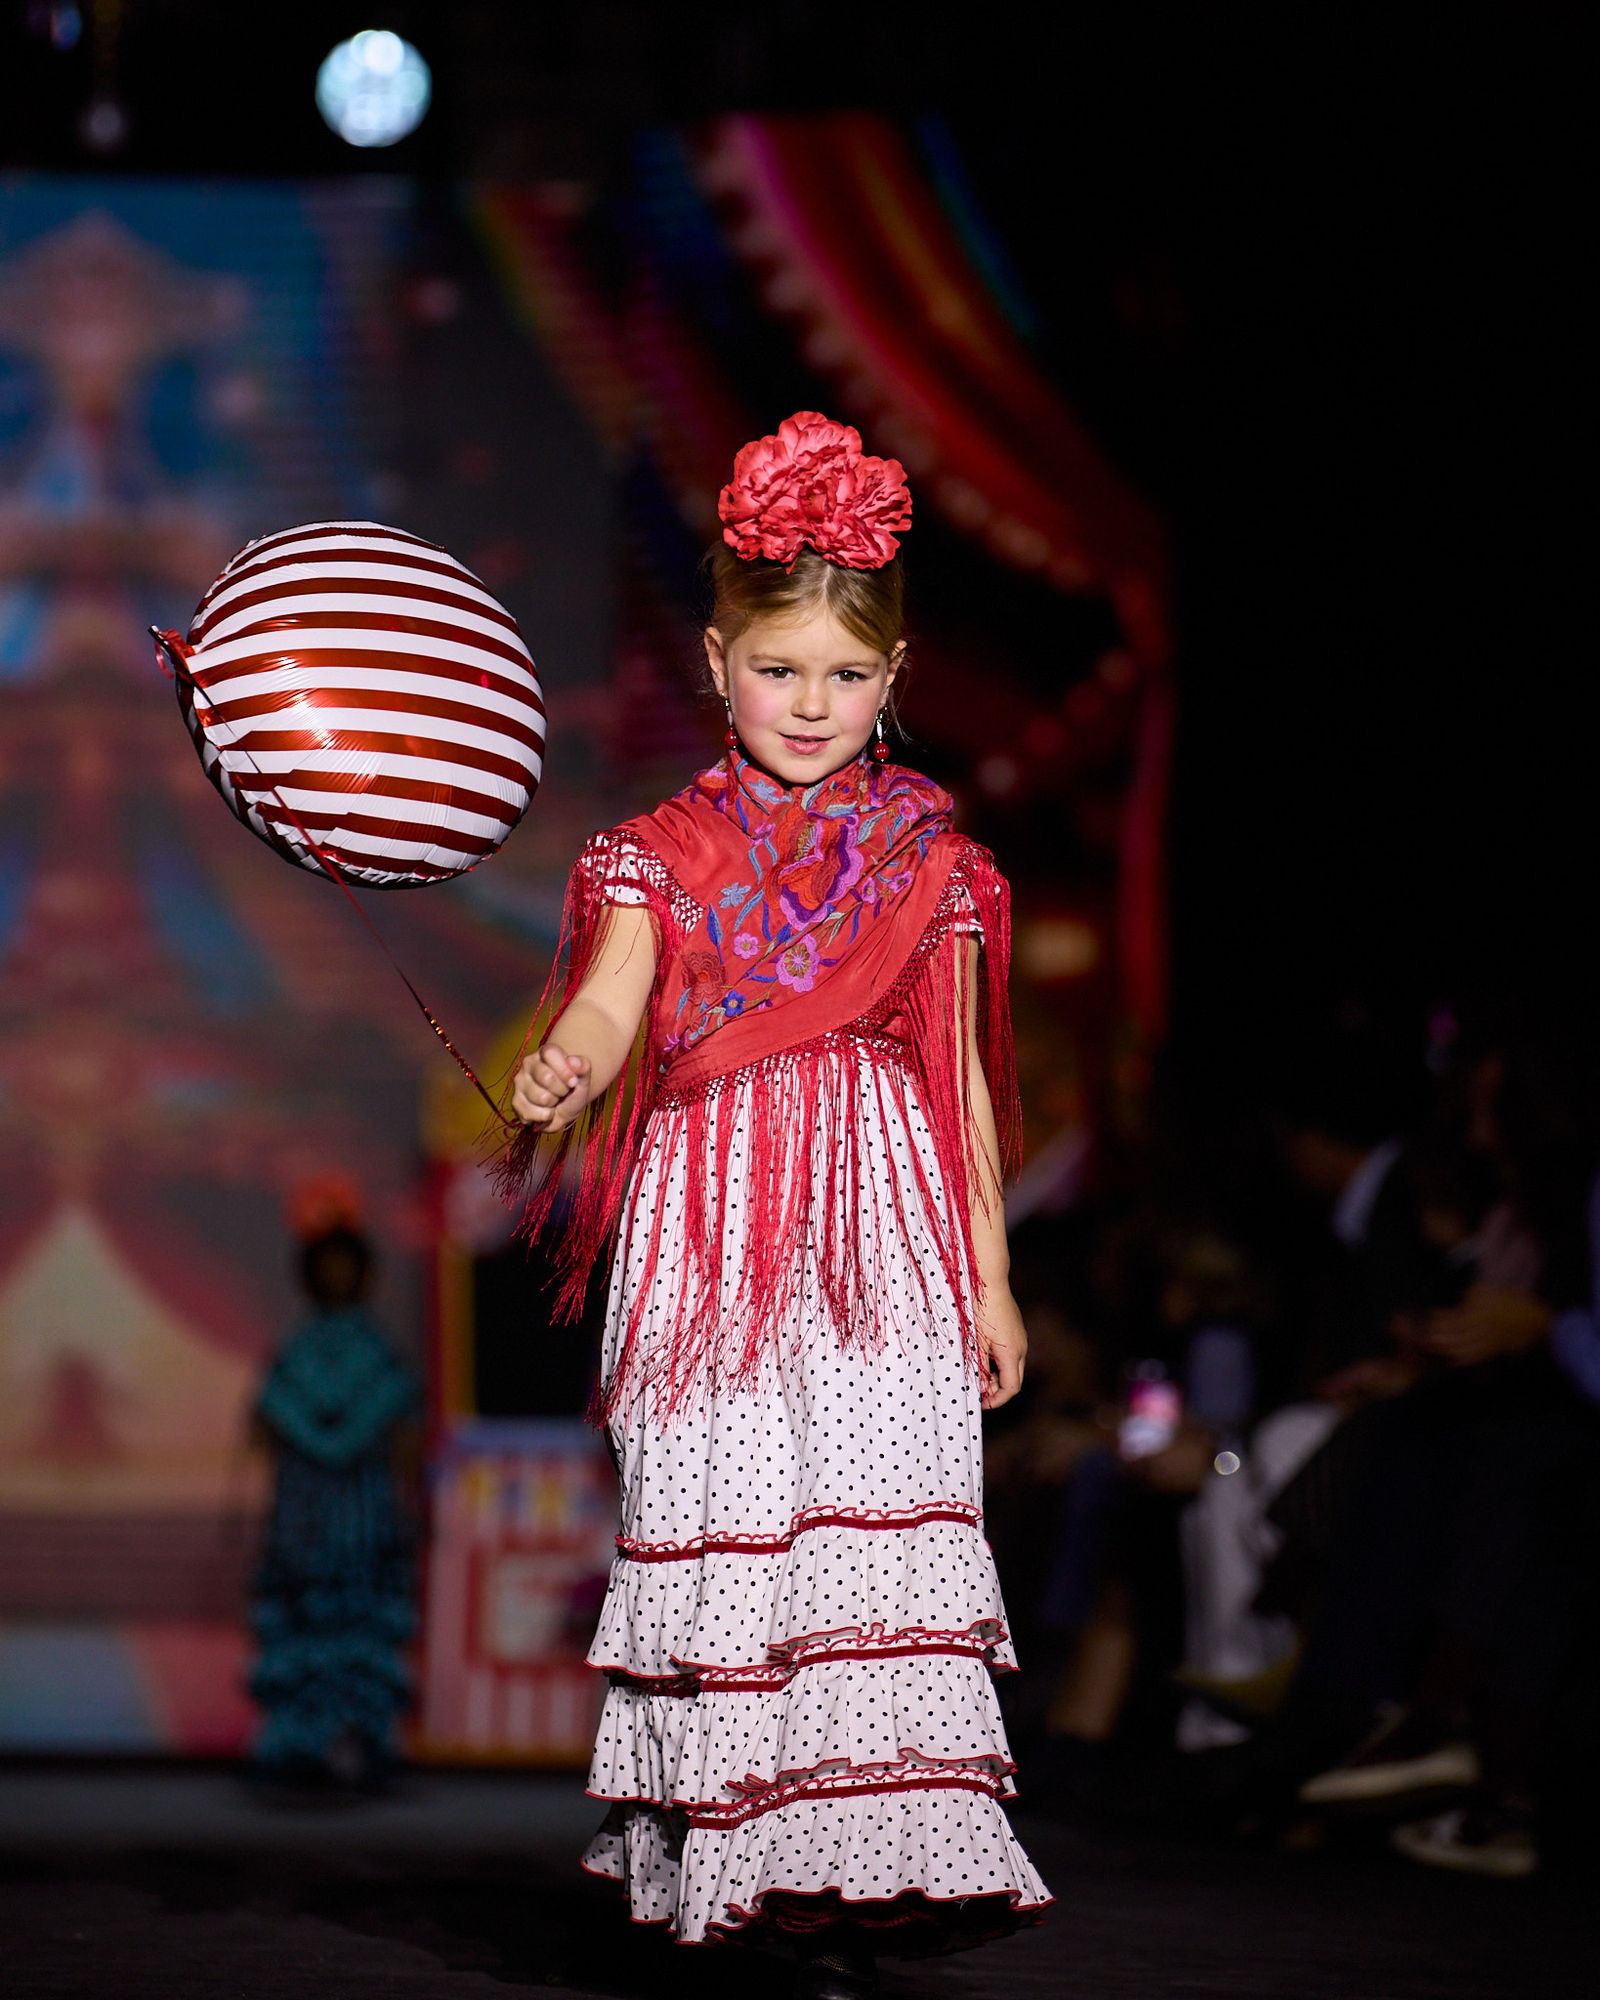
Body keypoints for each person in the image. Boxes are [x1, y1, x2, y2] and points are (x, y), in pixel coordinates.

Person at [500, 413, 1051, 1994]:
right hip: (714, 1235)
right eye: (779, 665)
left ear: (894, 675)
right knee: (730, 1533)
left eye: (846, 674)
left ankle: (852, 1873)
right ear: (718, 658)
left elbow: (959, 1092)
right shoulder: (653, 854)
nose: (811, 704)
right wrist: (567, 1064)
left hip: (882, 1236)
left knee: (866, 1556)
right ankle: (740, 1862)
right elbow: (612, 1004)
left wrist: (993, 1279)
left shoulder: (931, 859)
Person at [246, 1225, 420, 1796]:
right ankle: (298, 1745)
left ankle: (360, 1742)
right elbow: (271, 1409)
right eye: (328, 1265)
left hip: (361, 1511)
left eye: (346, 1265)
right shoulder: (298, 1345)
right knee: (302, 1619)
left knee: (359, 1622)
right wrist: (326, 1441)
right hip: (305, 1511)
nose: (336, 1276)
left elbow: (391, 1407)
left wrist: (324, 1441)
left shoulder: (375, 1346)